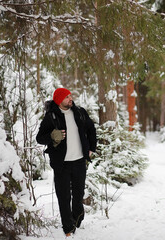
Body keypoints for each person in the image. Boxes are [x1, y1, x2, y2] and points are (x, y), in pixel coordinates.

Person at [36, 88, 97, 237]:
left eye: (70, 96)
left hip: (79, 162)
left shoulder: (79, 113)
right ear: (59, 100)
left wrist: (91, 148)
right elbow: (40, 138)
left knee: (78, 197)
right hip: (61, 164)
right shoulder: (51, 117)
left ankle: (76, 219)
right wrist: (52, 136)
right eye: (67, 97)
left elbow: (91, 129)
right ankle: (68, 228)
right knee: (63, 197)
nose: (71, 99)